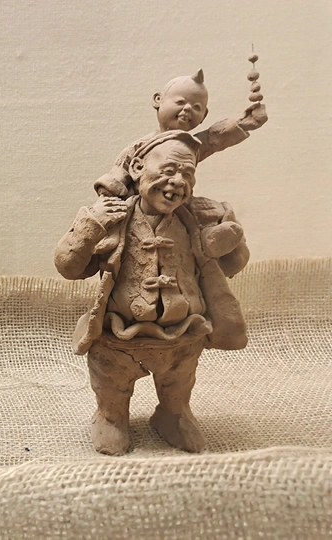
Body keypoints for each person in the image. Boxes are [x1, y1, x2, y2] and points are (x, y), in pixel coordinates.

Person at [55, 130, 248, 456]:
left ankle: (173, 414)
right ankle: (111, 417)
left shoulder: (197, 221)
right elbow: (69, 266)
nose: (178, 181)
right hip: (118, 336)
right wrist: (92, 226)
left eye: (188, 174)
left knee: (179, 382)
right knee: (113, 382)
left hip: (183, 334)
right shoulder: (112, 218)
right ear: (137, 168)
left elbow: (231, 265)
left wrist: (231, 239)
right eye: (169, 170)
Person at [94, 69, 268, 197]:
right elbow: (119, 172)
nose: (187, 108)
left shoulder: (190, 146)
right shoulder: (141, 146)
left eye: (196, 107)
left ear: (204, 115)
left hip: (177, 205)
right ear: (158, 100)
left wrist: (245, 122)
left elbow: (213, 138)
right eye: (180, 102)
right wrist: (110, 192)